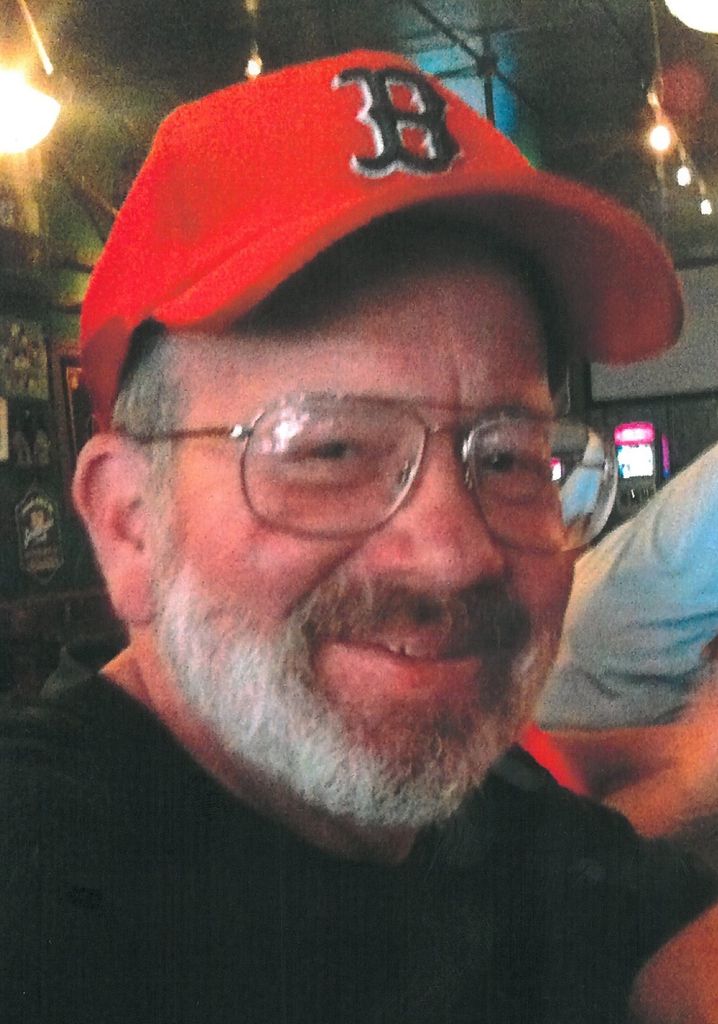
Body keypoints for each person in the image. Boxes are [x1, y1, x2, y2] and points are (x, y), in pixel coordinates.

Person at [0, 49, 716, 1024]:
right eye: (329, 449)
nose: (454, 553)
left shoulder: (454, 798)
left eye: (507, 456)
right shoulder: (46, 884)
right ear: (129, 524)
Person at [537, 441, 718, 845]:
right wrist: (686, 782)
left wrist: (685, 765)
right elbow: (565, 862)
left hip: (581, 671)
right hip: (586, 667)